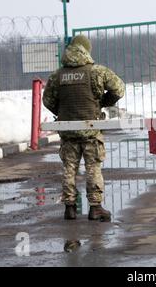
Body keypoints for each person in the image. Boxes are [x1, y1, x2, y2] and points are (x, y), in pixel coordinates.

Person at [43, 35, 125, 221]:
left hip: (68, 132)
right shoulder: (97, 71)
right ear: (86, 50)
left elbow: (47, 100)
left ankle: (69, 208)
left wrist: (63, 111)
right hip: (91, 129)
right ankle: (95, 208)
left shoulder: (57, 75)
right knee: (93, 168)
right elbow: (119, 89)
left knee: (69, 168)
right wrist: (103, 102)